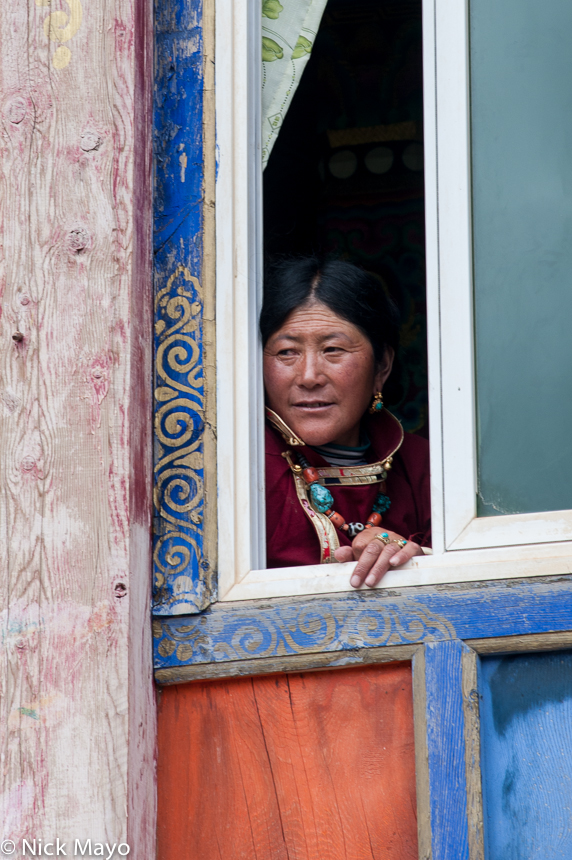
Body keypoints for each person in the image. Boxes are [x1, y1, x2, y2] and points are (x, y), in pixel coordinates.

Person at [261, 256, 431, 588]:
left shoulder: (424, 466)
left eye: (333, 349)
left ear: (381, 367)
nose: (309, 376)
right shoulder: (240, 473)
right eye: (286, 352)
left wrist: (413, 561)